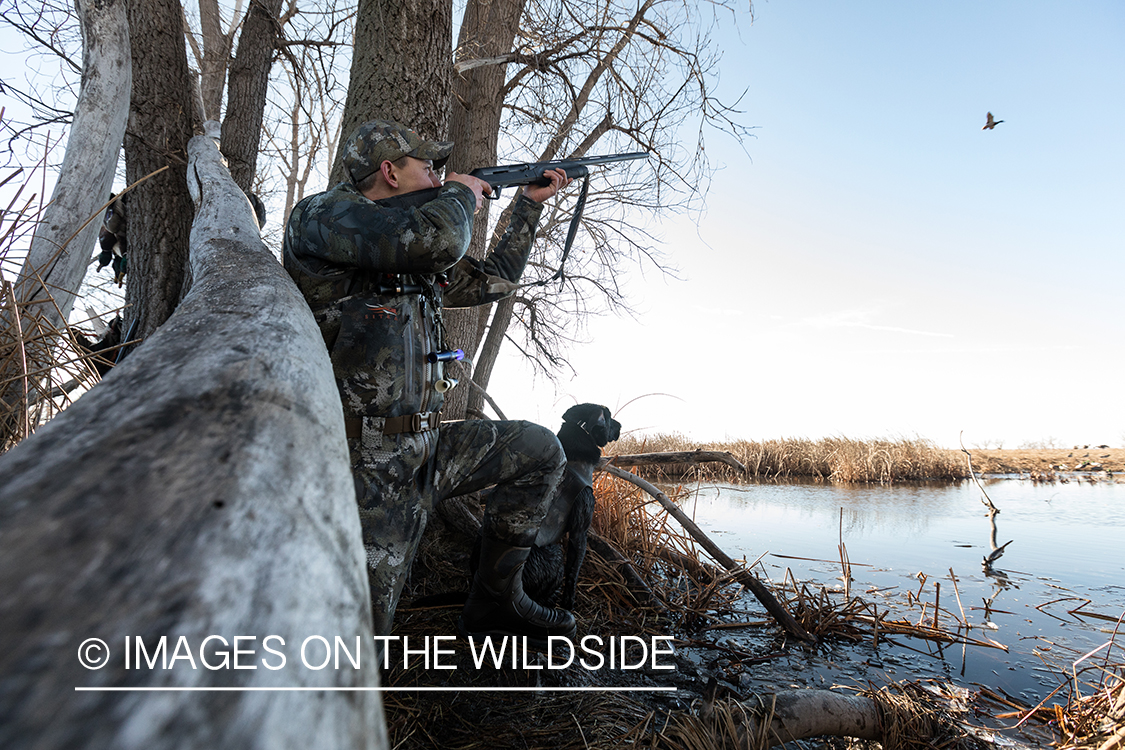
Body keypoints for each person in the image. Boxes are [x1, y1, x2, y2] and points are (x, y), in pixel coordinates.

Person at [283, 119, 576, 642]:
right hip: (364, 464)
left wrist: (528, 205)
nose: (440, 178)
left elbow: (492, 281)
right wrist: (463, 194)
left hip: (427, 448)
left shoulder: (413, 257)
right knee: (357, 638)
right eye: (429, 167)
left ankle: (494, 603)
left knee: (540, 450)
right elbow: (437, 238)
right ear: (389, 172)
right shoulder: (322, 215)